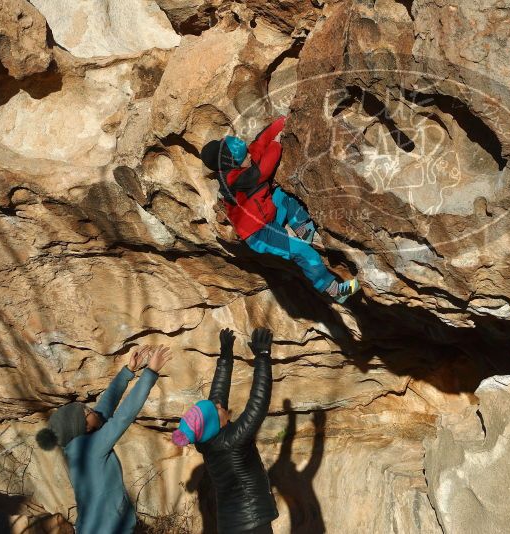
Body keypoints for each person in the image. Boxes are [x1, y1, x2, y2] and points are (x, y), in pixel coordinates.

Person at [200, 117, 360, 304]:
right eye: (245, 158)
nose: (250, 157)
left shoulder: (244, 159)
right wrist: (276, 146)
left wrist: (285, 120)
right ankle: (335, 290)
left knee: (284, 197)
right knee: (303, 252)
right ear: (232, 164)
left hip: (268, 215)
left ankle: (304, 230)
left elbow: (259, 142)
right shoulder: (233, 181)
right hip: (259, 234)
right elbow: (263, 171)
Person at [35, 344, 173, 534]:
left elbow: (103, 409)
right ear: (84, 427)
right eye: (87, 411)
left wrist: (128, 371)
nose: (92, 409)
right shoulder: (92, 448)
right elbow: (122, 417)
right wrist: (150, 372)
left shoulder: (78, 446)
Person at [172, 327, 277, 533]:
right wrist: (263, 357)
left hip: (228, 526)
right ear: (215, 423)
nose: (220, 405)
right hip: (253, 523)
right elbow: (258, 402)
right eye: (217, 409)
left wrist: (226, 355)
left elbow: (217, 397)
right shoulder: (233, 440)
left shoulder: (205, 441)